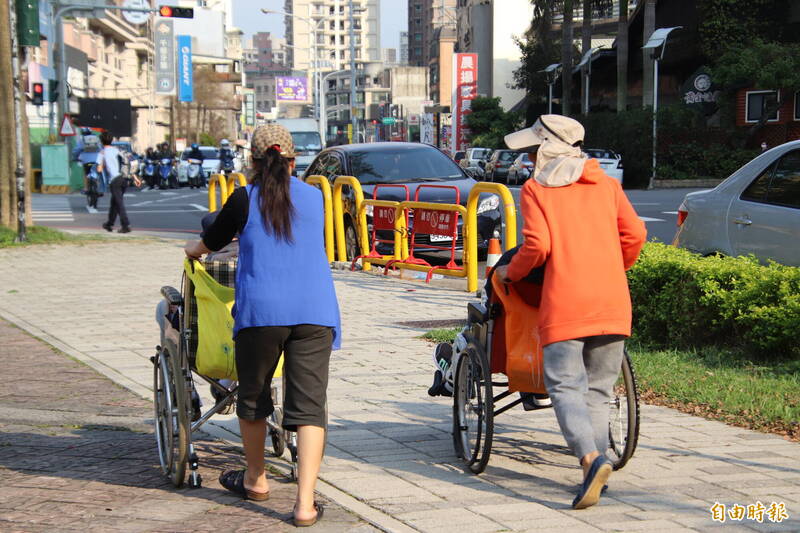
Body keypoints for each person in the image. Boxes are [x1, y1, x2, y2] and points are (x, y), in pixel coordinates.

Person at [184, 124, 340, 527]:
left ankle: (255, 479)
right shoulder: (316, 197)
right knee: (309, 408)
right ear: (292, 161)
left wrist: (193, 249)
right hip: (314, 311)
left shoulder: (242, 199)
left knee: (253, 398)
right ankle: (305, 504)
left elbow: (211, 241)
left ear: (252, 163)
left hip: (262, 315)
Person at [495, 115, 647, 510]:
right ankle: (596, 470)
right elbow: (636, 235)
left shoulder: (536, 190)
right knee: (599, 390)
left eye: (532, 151)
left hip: (565, 302)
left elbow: (537, 247)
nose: (528, 160)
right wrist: (614, 267)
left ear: (546, 150)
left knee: (564, 387)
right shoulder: (609, 186)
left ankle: (591, 459)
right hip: (613, 301)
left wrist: (512, 272)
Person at [99, 131, 140, 233]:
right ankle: (109, 224)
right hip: (124, 179)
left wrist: (101, 166)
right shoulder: (116, 150)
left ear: (101, 141)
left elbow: (99, 169)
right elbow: (126, 164)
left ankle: (126, 225)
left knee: (119, 204)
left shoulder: (102, 152)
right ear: (112, 140)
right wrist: (135, 178)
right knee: (115, 203)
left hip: (115, 180)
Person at [72, 127, 104, 194]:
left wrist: (75, 157)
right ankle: (98, 188)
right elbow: (101, 148)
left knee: (86, 174)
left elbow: (76, 151)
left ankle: (86, 188)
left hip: (86, 161)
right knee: (97, 174)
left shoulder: (82, 140)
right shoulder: (97, 139)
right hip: (96, 161)